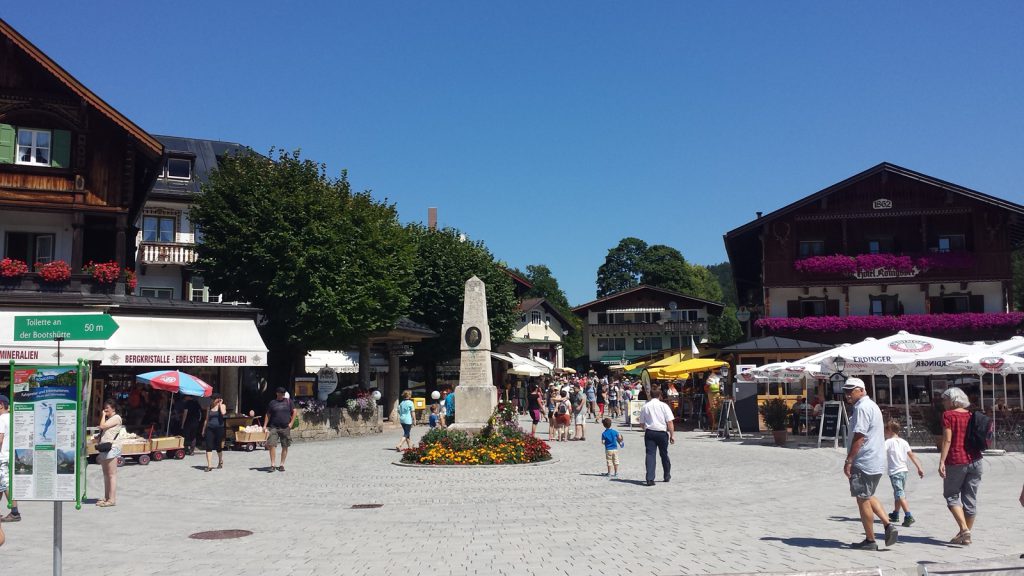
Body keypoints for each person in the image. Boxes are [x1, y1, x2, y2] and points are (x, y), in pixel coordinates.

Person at [842, 377, 898, 550]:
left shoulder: (862, 408)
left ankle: (870, 540)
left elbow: (860, 437)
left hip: (865, 459)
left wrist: (849, 460)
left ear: (861, 390)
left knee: (862, 499)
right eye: (846, 391)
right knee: (868, 494)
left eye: (851, 391)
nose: (847, 394)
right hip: (875, 459)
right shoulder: (871, 405)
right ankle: (888, 525)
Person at [938, 387, 983, 546]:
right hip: (976, 459)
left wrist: (942, 461)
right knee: (970, 499)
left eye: (944, 399)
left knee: (951, 495)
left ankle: (964, 529)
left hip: (956, 460)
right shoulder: (971, 415)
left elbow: (947, 440)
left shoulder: (948, 415)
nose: (943, 402)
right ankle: (965, 535)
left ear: (952, 400)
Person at [884, 420, 924, 527]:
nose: (884, 432)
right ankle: (895, 514)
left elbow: (880, 453)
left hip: (895, 471)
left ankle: (908, 516)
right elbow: (912, 455)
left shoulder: (888, 442)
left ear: (890, 430)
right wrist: (919, 467)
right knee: (898, 492)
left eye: (886, 429)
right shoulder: (904, 442)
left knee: (900, 494)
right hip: (903, 471)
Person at [639, 386, 674, 486]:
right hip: (662, 432)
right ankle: (667, 475)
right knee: (664, 454)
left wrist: (646, 428)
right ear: (660, 395)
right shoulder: (664, 406)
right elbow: (670, 422)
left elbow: (641, 423)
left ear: (650, 395)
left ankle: (650, 478)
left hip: (650, 432)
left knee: (650, 455)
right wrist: (672, 435)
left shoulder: (645, 406)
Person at [97, 399, 124, 507]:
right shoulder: (110, 419)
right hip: (105, 448)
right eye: (105, 407)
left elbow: (102, 426)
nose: (105, 409)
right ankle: (106, 497)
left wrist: (103, 415)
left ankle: (112, 499)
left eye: (107, 407)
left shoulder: (116, 418)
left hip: (112, 448)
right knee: (106, 474)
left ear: (113, 408)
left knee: (111, 474)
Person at [263, 387, 296, 472]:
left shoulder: (289, 402)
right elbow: (268, 414)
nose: (282, 395)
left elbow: (294, 411)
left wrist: (291, 423)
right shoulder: (272, 403)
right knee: (271, 445)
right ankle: (273, 464)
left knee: (285, 446)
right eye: (281, 393)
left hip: (285, 427)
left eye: (283, 394)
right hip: (274, 427)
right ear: (277, 393)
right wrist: (264, 425)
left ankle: (281, 464)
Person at [0, 394, 20, 523]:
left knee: (5, 484)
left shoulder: (1, 419)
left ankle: (15, 512)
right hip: (11, 456)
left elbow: (0, 439)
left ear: (1, 405)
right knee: (1, 484)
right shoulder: (13, 418)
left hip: (2, 457)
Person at [202, 393, 227, 472]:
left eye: (214, 399)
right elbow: (206, 419)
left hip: (219, 428)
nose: (212, 400)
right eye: (212, 399)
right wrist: (203, 429)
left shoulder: (223, 406)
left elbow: (223, 413)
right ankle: (209, 465)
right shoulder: (209, 407)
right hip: (210, 428)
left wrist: (220, 405)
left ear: (218, 399)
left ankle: (220, 461)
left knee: (218, 446)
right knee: (208, 446)